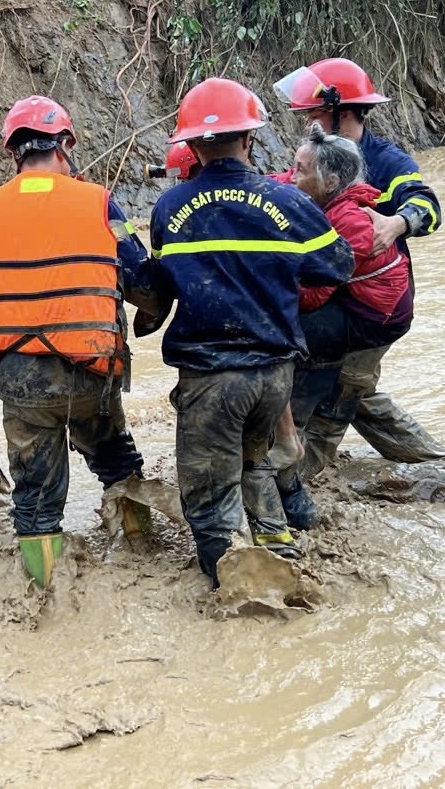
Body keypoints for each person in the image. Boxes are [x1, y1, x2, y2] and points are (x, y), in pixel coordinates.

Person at [149, 78, 354, 587]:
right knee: (255, 461)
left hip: (211, 379)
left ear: (191, 145)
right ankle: (281, 551)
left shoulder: (170, 209)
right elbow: (338, 265)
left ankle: (233, 595)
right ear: (251, 139)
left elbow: (159, 289)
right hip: (274, 379)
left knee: (209, 495)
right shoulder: (286, 202)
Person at [0, 95, 160, 588]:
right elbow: (140, 276)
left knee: (33, 501)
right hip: (88, 372)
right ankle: (145, 554)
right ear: (66, 144)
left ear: (14, 153)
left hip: (19, 377)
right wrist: (151, 314)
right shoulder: (100, 201)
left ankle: (45, 594)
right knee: (117, 463)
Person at [274, 58, 445, 476]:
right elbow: (285, 186)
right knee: (347, 383)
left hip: (376, 303)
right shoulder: (321, 152)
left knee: (346, 388)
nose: (307, 124)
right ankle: (435, 458)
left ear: (345, 111)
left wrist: (396, 223)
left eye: (315, 114)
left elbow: (427, 205)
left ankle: (300, 482)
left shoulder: (387, 161)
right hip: (342, 291)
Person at [273, 126, 415, 529]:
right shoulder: (328, 192)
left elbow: (316, 293)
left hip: (373, 317)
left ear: (330, 182)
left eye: (301, 172)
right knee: (356, 392)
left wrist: (267, 283)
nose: (292, 177)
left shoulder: (349, 222)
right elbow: (279, 182)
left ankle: (293, 458)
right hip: (357, 297)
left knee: (294, 342)